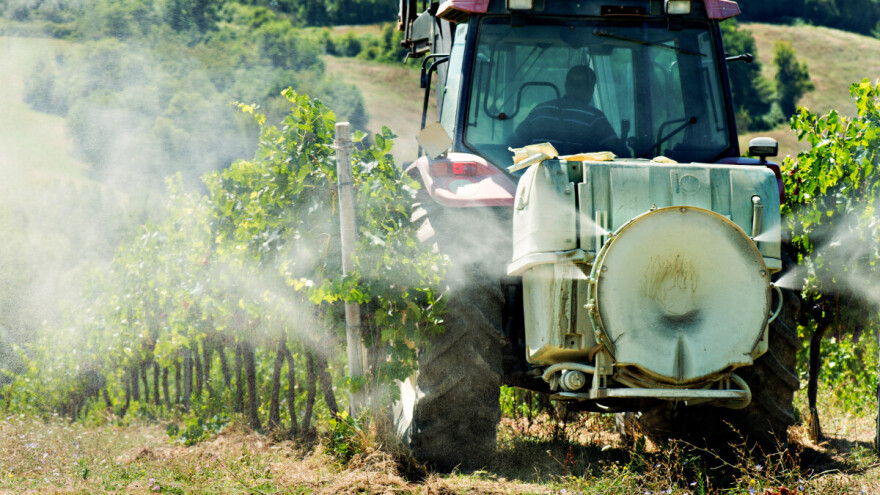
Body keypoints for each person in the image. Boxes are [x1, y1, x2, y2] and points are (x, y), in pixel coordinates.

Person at [512, 65, 627, 157]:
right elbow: (618, 152)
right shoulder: (594, 117)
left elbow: (514, 145)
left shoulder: (539, 111)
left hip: (536, 176)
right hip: (576, 178)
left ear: (566, 85)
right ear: (590, 89)